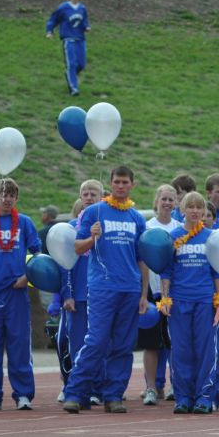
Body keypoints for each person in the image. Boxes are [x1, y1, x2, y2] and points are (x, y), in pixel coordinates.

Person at [63, 166, 148, 414]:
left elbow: (142, 259)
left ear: (132, 184)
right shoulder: (94, 212)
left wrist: (143, 294)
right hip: (102, 287)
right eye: (116, 182)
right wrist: (92, 238)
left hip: (130, 289)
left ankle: (113, 395)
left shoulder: (136, 217)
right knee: (97, 340)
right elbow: (78, 248)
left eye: (125, 182)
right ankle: (75, 392)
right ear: (110, 184)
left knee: (123, 344)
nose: (120, 186)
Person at [0, 178, 41, 411]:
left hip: (17, 292)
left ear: (16, 198)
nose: (6, 199)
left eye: (11, 195)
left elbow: (38, 254)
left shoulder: (24, 222)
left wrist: (28, 277)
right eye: (2, 194)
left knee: (19, 346)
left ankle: (23, 394)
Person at [159, 191, 219, 414]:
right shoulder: (173, 236)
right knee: (180, 350)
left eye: (199, 207)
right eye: (191, 207)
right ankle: (183, 397)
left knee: (205, 350)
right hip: (179, 301)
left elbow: (218, 271)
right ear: (183, 210)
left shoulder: (212, 237)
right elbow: (166, 271)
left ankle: (204, 397)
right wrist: (165, 299)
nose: (196, 211)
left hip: (205, 301)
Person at [51, 179, 103, 404]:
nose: (89, 197)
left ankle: (97, 387)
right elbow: (65, 265)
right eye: (85, 194)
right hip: (79, 295)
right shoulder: (72, 227)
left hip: (102, 294)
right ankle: (75, 385)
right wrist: (67, 294)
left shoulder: (108, 224)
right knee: (77, 344)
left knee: (101, 343)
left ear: (102, 197)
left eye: (94, 194)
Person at [141, 184, 182, 405]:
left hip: (174, 293)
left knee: (175, 342)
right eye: (163, 198)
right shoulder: (146, 227)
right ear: (156, 201)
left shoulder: (180, 228)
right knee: (152, 343)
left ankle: (175, 384)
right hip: (151, 292)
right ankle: (150, 387)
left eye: (171, 199)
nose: (167, 203)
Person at [46, 0, 90, 96]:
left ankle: (70, 75)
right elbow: (53, 19)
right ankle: (73, 88)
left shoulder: (82, 8)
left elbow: (84, 21)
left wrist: (86, 27)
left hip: (80, 39)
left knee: (81, 64)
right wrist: (49, 31)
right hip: (69, 39)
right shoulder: (63, 8)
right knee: (72, 64)